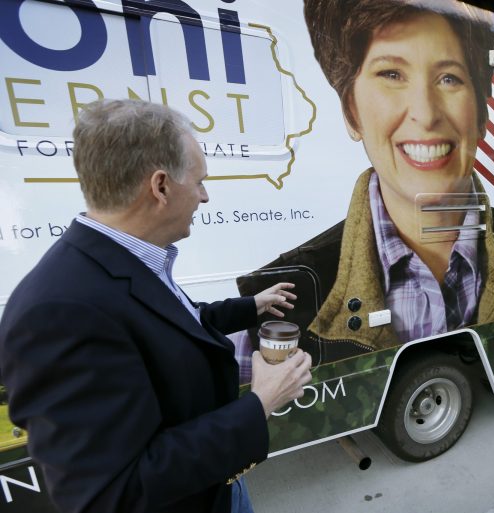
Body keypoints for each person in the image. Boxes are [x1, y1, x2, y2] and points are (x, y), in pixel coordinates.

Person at [0, 99, 312, 513]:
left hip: (217, 486)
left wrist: (249, 306)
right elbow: (112, 493)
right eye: (200, 181)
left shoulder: (121, 258)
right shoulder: (55, 314)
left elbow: (171, 323)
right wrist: (259, 404)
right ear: (160, 186)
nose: (205, 196)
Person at [235, 0, 494, 364]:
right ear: (351, 112)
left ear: (481, 113)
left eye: (449, 78)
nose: (425, 113)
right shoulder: (286, 291)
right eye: (392, 74)